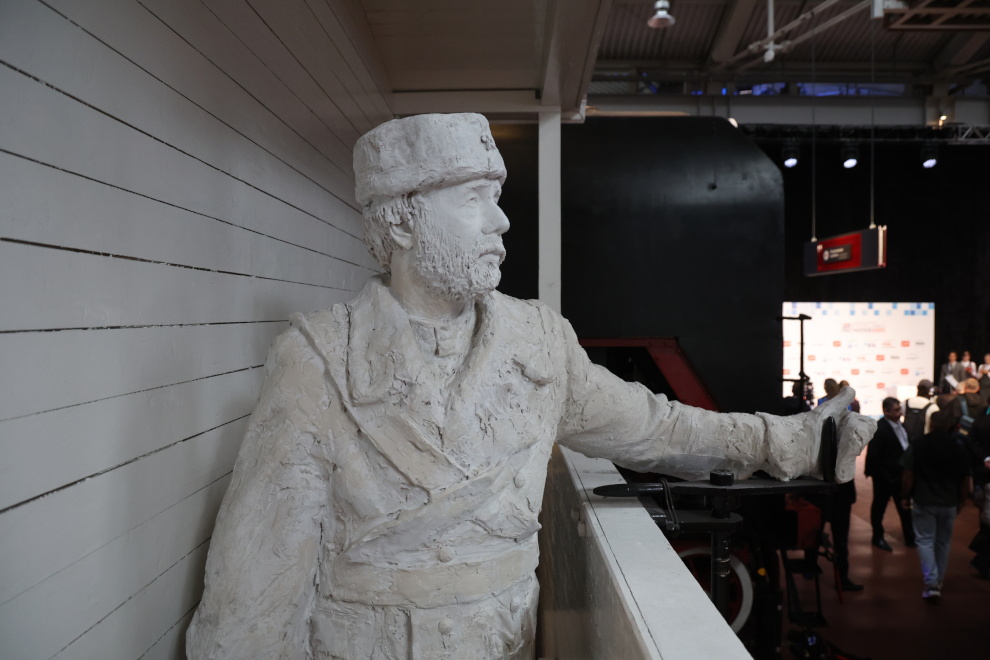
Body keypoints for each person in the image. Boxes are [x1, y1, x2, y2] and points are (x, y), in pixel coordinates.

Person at [185, 113, 876, 659]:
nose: (502, 220)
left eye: (497, 198)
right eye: (474, 200)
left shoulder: (537, 344)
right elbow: (255, 590)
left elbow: (660, 428)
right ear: (401, 219)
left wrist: (794, 442)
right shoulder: (318, 361)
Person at [900, 409, 972, 601]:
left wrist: (905, 495)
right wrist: (962, 500)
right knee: (943, 542)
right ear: (951, 425)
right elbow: (965, 479)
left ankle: (931, 582)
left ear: (930, 423)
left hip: (924, 499)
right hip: (949, 502)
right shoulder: (958, 447)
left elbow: (908, 474)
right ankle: (938, 579)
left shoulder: (918, 445)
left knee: (925, 540)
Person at [865, 397, 916, 551]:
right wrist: (883, 475)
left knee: (904, 507)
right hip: (885, 476)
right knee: (879, 507)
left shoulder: (901, 425)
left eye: (900, 409)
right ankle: (877, 537)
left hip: (901, 475)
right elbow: (874, 456)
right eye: (896, 410)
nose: (900, 413)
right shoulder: (879, 429)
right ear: (886, 412)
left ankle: (910, 537)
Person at [966, 406, 990, 579]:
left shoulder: (979, 420)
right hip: (984, 478)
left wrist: (985, 458)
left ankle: (982, 558)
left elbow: (971, 441)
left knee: (986, 519)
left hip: (982, 476)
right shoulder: (981, 420)